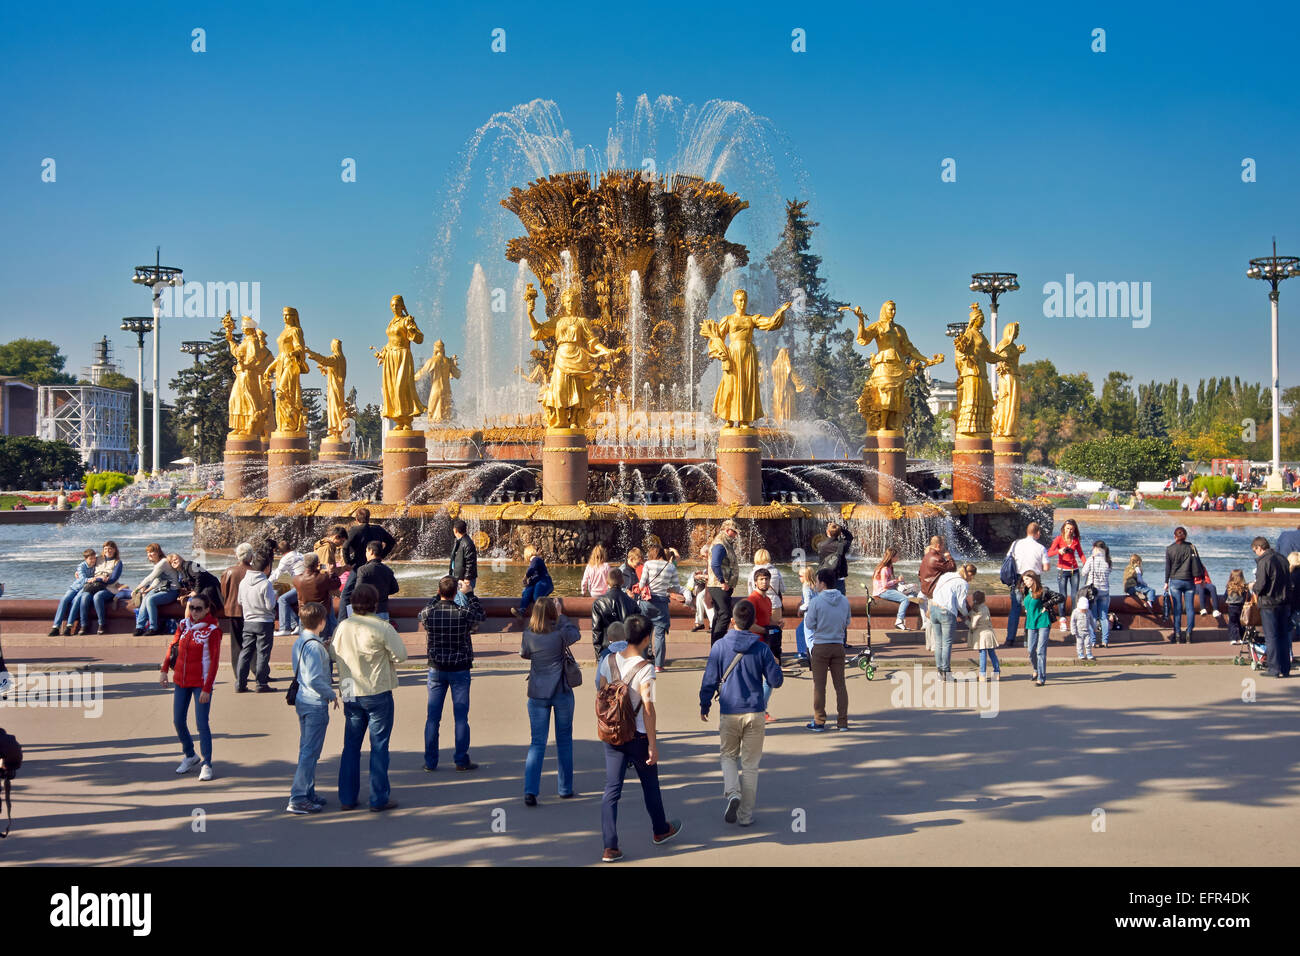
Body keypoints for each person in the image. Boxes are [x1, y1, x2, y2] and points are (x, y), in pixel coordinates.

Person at [597, 614, 682, 862]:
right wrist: (653, 745)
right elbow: (648, 707)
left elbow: (601, 693)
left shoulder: (609, 660)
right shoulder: (645, 669)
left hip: (612, 734)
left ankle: (609, 846)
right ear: (646, 639)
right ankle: (660, 830)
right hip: (639, 736)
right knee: (650, 785)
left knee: (611, 790)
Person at [698, 598, 783, 827]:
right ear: (754, 621)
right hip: (755, 711)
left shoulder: (719, 646)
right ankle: (745, 816)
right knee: (750, 765)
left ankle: (732, 791)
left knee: (727, 756)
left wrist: (704, 704)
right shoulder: (762, 648)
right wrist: (775, 663)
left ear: (732, 621)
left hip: (729, 710)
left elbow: (709, 680)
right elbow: (776, 681)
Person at [331, 584, 407, 811]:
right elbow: (401, 656)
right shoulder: (382, 627)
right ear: (375, 603)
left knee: (351, 746)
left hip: (350, 690)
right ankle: (378, 798)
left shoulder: (344, 626)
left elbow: (333, 654)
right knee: (379, 746)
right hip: (376, 690)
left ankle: (347, 797)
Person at [519, 596, 580, 805]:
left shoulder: (528, 634)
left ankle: (530, 791)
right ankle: (565, 788)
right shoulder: (560, 633)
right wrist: (561, 616)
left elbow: (524, 654)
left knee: (537, 742)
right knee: (564, 741)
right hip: (561, 691)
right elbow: (576, 634)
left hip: (537, 692)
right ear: (553, 613)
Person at [422, 575, 486, 772]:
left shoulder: (429, 613)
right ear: (455, 593)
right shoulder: (462, 613)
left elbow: (422, 611)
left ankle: (430, 762)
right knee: (461, 718)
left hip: (437, 669)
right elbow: (481, 615)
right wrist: (470, 594)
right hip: (459, 669)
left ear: (440, 592)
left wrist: (437, 595)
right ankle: (460, 760)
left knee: (433, 718)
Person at [159, 593, 221, 781]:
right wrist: (164, 670)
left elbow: (215, 662)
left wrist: (206, 688)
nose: (194, 612)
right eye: (191, 607)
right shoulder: (183, 625)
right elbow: (172, 646)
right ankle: (190, 755)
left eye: (198, 608)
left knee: (202, 724)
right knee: (178, 721)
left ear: (207, 609)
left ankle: (207, 764)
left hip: (200, 683)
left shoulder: (212, 630)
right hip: (181, 681)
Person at [287, 602, 337, 814]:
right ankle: (298, 797)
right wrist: (331, 693)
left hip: (302, 699)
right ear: (322, 622)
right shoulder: (315, 647)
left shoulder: (301, 642)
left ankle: (308, 791)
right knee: (310, 751)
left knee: (307, 748)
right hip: (315, 702)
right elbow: (315, 679)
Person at [803, 568, 851, 731]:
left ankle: (819, 721)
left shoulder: (816, 602)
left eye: (816, 581)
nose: (815, 584)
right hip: (838, 646)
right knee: (840, 686)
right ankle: (842, 722)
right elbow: (847, 622)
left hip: (821, 647)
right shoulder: (844, 600)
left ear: (822, 583)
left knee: (819, 686)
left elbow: (809, 624)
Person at [236, 548, 278, 692]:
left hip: (248, 621)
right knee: (263, 653)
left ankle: (240, 684)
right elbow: (270, 605)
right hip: (264, 622)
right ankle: (261, 684)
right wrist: (275, 597)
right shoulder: (266, 584)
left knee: (245, 652)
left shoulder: (243, 582)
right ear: (267, 568)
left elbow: (240, 601)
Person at [1250, 537, 1291, 678]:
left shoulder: (1264, 561)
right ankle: (1285, 669)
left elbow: (1261, 585)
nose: (1256, 554)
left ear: (1259, 548)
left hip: (1269, 603)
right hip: (1284, 603)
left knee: (1271, 637)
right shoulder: (1283, 559)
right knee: (1283, 636)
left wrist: (1252, 586)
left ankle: (1274, 669)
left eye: (1255, 551)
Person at [1004, 522, 1049, 647]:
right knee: (1031, 608)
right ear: (1037, 533)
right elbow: (1046, 567)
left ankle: (1010, 639)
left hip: (1018, 579)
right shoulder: (1040, 547)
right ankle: (1027, 639)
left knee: (1015, 608)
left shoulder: (1016, 544)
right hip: (1034, 580)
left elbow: (1009, 558)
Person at [342, 508, 395, 614]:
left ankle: (342, 620)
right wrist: (381, 555)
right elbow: (391, 541)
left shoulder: (355, 529)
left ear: (357, 519)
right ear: (369, 517)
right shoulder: (378, 529)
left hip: (358, 565)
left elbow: (345, 547)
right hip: (376, 564)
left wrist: (349, 562)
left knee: (346, 594)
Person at [931, 563, 977, 681]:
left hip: (934, 609)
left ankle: (939, 672)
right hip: (946, 612)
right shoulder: (963, 583)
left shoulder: (946, 575)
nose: (971, 580)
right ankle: (946, 672)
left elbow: (935, 591)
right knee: (947, 643)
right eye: (972, 577)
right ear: (969, 574)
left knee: (938, 642)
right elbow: (961, 604)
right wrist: (967, 615)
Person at [640, 545, 681, 671]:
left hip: (647, 602)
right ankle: (658, 665)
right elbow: (676, 587)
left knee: (644, 632)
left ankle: (643, 662)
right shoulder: (671, 567)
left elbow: (642, 584)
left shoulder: (647, 564)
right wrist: (665, 589)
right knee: (660, 635)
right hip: (661, 603)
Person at [132, 544, 181, 636]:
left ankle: (154, 628)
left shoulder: (163, 562)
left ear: (158, 552)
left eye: (152, 552)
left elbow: (150, 578)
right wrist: (148, 590)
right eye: (148, 552)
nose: (149, 554)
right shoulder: (158, 563)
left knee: (151, 600)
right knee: (146, 597)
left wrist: (136, 589)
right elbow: (157, 579)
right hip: (162, 588)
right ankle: (139, 627)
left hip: (172, 591)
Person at [591, 568, 640, 660]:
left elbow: (596, 631)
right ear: (622, 581)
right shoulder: (631, 602)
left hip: (607, 649)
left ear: (607, 582)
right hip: (627, 650)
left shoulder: (599, 603)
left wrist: (599, 655)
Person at [77, 540, 124, 636]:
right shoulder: (98, 559)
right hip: (93, 586)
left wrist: (99, 579)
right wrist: (78, 572)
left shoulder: (118, 563)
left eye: (110, 548)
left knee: (97, 597)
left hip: (109, 588)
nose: (108, 550)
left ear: (115, 550)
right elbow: (86, 564)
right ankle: (84, 625)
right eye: (106, 548)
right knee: (84, 597)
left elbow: (113, 579)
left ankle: (102, 624)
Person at [343, 541, 399, 620]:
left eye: (366, 551)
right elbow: (395, 589)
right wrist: (382, 592)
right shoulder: (387, 570)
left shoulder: (363, 570)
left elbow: (358, 591)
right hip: (383, 611)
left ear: (371, 552)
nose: (366, 554)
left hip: (366, 612)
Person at [220, 543, 255, 671]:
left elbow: (224, 592)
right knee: (254, 643)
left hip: (233, 611)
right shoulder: (255, 572)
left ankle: (239, 673)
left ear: (237, 556)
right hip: (252, 612)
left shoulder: (228, 571)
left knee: (236, 644)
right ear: (251, 557)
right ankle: (257, 670)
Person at [706, 519, 741, 644]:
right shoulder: (720, 544)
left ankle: (715, 646)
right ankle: (718, 646)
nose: (736, 535)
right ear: (727, 530)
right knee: (725, 615)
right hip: (719, 586)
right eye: (734, 532)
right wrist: (722, 581)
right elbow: (715, 564)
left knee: (719, 615)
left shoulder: (725, 542)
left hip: (720, 586)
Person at [1163, 526, 1200, 644]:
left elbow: (1167, 567)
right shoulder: (1191, 547)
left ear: (1174, 536)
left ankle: (1178, 634)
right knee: (1190, 609)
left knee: (1177, 609)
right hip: (1189, 580)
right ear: (1185, 536)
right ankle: (1189, 634)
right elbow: (1198, 563)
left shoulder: (1169, 549)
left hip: (1175, 581)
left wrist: (1166, 582)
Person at [292, 554, 341, 639]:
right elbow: (337, 584)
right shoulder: (323, 578)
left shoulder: (296, 580)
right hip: (320, 613)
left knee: (304, 641)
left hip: (304, 613)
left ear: (304, 564)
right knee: (322, 641)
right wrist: (331, 573)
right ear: (317, 564)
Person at [1048, 519, 1084, 634]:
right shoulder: (1058, 539)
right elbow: (1049, 553)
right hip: (1062, 570)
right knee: (1062, 595)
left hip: (1074, 571)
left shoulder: (1075, 540)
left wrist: (1087, 565)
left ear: (1074, 530)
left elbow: (1081, 554)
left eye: (1071, 529)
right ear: (1064, 528)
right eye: (1067, 528)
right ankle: (1062, 619)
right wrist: (1059, 551)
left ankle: (1074, 619)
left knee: (1075, 595)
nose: (1069, 531)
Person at [51, 548, 98, 637]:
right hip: (75, 587)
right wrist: (90, 579)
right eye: (90, 559)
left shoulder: (97, 565)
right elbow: (82, 579)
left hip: (84, 589)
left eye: (94, 558)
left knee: (76, 601)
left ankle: (69, 626)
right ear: (85, 559)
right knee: (64, 600)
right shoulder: (81, 566)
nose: (93, 560)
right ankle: (56, 627)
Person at [918, 535, 956, 636]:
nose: (944, 548)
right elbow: (952, 568)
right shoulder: (937, 558)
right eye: (943, 545)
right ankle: (935, 645)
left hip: (927, 590)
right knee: (934, 619)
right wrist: (948, 557)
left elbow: (919, 574)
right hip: (935, 591)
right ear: (938, 545)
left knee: (930, 617)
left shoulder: (926, 556)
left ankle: (930, 644)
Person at [1020, 570, 1052, 685]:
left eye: (1027, 579)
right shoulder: (1026, 590)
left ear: (1033, 579)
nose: (1025, 582)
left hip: (1043, 621)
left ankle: (1041, 678)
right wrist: (1026, 608)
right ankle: (1036, 670)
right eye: (1024, 580)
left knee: (1041, 651)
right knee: (1030, 650)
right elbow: (1026, 602)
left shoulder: (1043, 590)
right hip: (1030, 623)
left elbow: (1060, 597)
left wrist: (1047, 605)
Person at [871, 547, 914, 630]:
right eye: (897, 556)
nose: (898, 558)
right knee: (905, 599)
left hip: (886, 589)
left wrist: (900, 582)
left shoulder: (889, 567)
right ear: (891, 557)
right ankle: (899, 621)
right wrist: (897, 580)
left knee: (910, 591)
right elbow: (885, 585)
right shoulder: (884, 569)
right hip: (882, 591)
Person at [1080, 540, 1113, 649]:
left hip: (1093, 592)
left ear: (1096, 548)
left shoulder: (1091, 559)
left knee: (1093, 617)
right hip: (1105, 591)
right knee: (1104, 617)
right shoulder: (1108, 561)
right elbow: (1109, 572)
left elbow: (1083, 572)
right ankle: (1105, 641)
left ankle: (1093, 641)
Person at [512, 546, 553, 619]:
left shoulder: (536, 559)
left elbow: (531, 569)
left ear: (527, 554)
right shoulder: (534, 562)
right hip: (539, 584)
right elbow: (533, 576)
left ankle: (544, 613)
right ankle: (522, 611)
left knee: (536, 595)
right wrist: (526, 588)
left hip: (545, 583)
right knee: (527, 591)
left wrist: (525, 577)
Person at [967, 590, 999, 680]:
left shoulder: (975, 610)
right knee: (992, 653)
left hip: (981, 635)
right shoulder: (985, 608)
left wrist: (966, 622)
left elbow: (973, 626)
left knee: (982, 654)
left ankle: (982, 674)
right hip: (989, 633)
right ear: (984, 599)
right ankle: (997, 672)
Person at [817, 521, 854, 594]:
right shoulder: (842, 545)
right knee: (840, 600)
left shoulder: (820, 545)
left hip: (825, 576)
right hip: (838, 576)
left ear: (827, 532)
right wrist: (840, 528)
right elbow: (850, 537)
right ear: (840, 533)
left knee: (825, 600)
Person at [794, 564, 816, 665]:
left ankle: (809, 655)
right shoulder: (815, 585)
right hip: (817, 614)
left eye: (800, 576)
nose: (799, 578)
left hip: (809, 615)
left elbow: (807, 603)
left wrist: (800, 608)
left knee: (809, 637)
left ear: (806, 576)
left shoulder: (806, 586)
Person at [1224, 569, 1251, 647]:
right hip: (1241, 607)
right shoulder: (1244, 586)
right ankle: (1242, 638)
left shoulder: (1229, 586)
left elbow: (1225, 596)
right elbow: (1248, 596)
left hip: (1231, 607)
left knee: (1232, 623)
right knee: (1241, 622)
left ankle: (1233, 639)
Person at [1071, 594, 1096, 661]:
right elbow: (1072, 622)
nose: (1084, 611)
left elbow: (1091, 620)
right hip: (1079, 632)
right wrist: (1073, 630)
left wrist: (1094, 627)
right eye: (1082, 609)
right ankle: (1080, 654)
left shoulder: (1089, 612)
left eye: (1085, 609)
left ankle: (1089, 654)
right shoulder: (1075, 612)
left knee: (1088, 643)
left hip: (1087, 631)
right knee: (1080, 643)